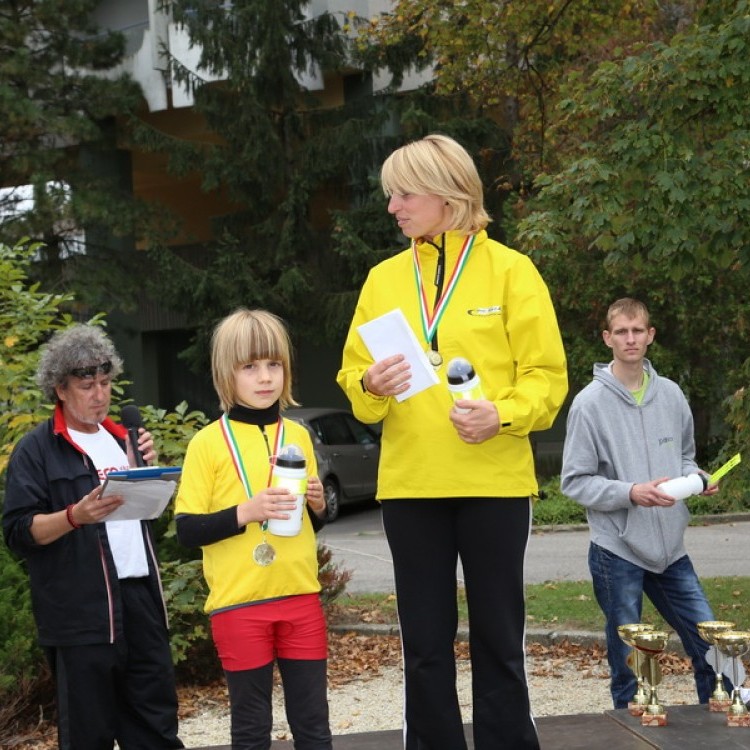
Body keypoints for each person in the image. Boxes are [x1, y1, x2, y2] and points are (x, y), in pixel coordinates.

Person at [336, 134, 568, 750]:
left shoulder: (513, 271)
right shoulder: (383, 279)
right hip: (412, 487)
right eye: (391, 195)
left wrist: (503, 414)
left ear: (448, 194)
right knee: (425, 647)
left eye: (404, 193)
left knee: (499, 640)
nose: (393, 207)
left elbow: (548, 378)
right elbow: (353, 383)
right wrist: (369, 382)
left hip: (493, 484)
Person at [2, 324, 184, 750]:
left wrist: (151, 476)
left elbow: (143, 521)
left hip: (140, 602)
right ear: (60, 389)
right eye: (87, 385)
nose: (99, 394)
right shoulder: (36, 450)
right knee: (88, 737)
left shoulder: (126, 440)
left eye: (105, 383)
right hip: (80, 613)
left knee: (156, 731)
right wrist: (74, 516)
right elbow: (17, 532)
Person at [174, 308, 332, 750]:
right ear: (227, 373)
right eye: (250, 367)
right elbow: (186, 530)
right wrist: (246, 511)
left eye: (274, 364)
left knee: (314, 726)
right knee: (250, 730)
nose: (265, 377)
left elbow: (308, 524)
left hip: (300, 597)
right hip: (239, 605)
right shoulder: (206, 443)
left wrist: (317, 507)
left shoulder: (298, 436)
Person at [560, 297, 727, 710]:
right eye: (621, 331)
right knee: (629, 664)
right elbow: (574, 482)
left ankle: (721, 723)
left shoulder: (671, 394)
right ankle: (629, 730)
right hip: (616, 550)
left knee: (713, 643)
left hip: (671, 551)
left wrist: (697, 478)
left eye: (638, 331)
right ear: (607, 338)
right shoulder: (588, 404)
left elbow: (685, 456)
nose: (630, 339)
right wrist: (630, 492)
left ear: (650, 336)